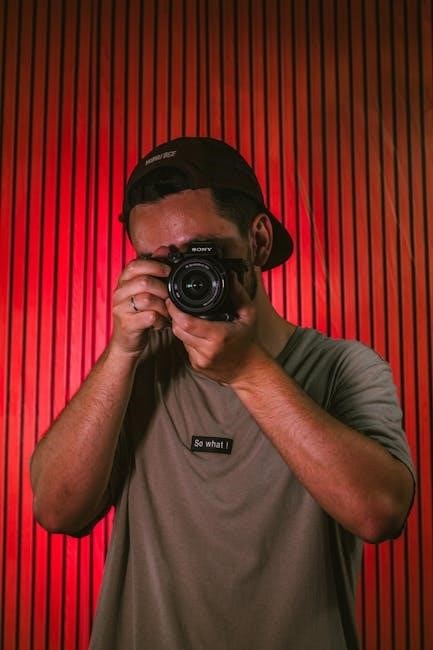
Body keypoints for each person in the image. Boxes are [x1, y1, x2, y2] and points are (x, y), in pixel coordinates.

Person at [30, 137, 415, 649]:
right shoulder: (137, 370)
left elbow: (380, 512)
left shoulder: (344, 367)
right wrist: (121, 352)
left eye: (200, 252)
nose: (187, 275)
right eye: (159, 261)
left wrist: (248, 372)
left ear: (258, 241)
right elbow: (57, 511)